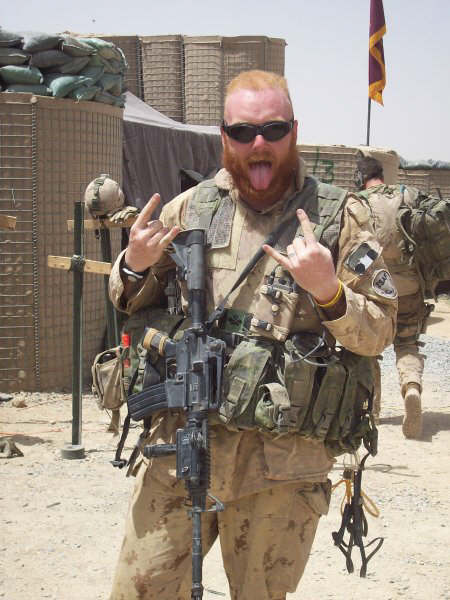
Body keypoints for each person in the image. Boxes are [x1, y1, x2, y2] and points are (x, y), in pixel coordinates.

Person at [108, 70, 397, 600]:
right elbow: (129, 300)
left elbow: (379, 330)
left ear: (294, 131)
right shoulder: (190, 208)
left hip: (280, 465)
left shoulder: (340, 217)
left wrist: (328, 291)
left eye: (273, 129)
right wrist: (134, 265)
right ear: (224, 136)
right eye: (243, 132)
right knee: (140, 590)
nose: (258, 144)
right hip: (184, 442)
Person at [355, 155, 432, 439]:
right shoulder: (408, 195)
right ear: (382, 176)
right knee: (407, 343)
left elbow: (356, 253)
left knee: (368, 348)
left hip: (376, 287)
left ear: (359, 178)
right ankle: (411, 387)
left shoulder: (357, 203)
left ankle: (372, 409)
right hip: (410, 286)